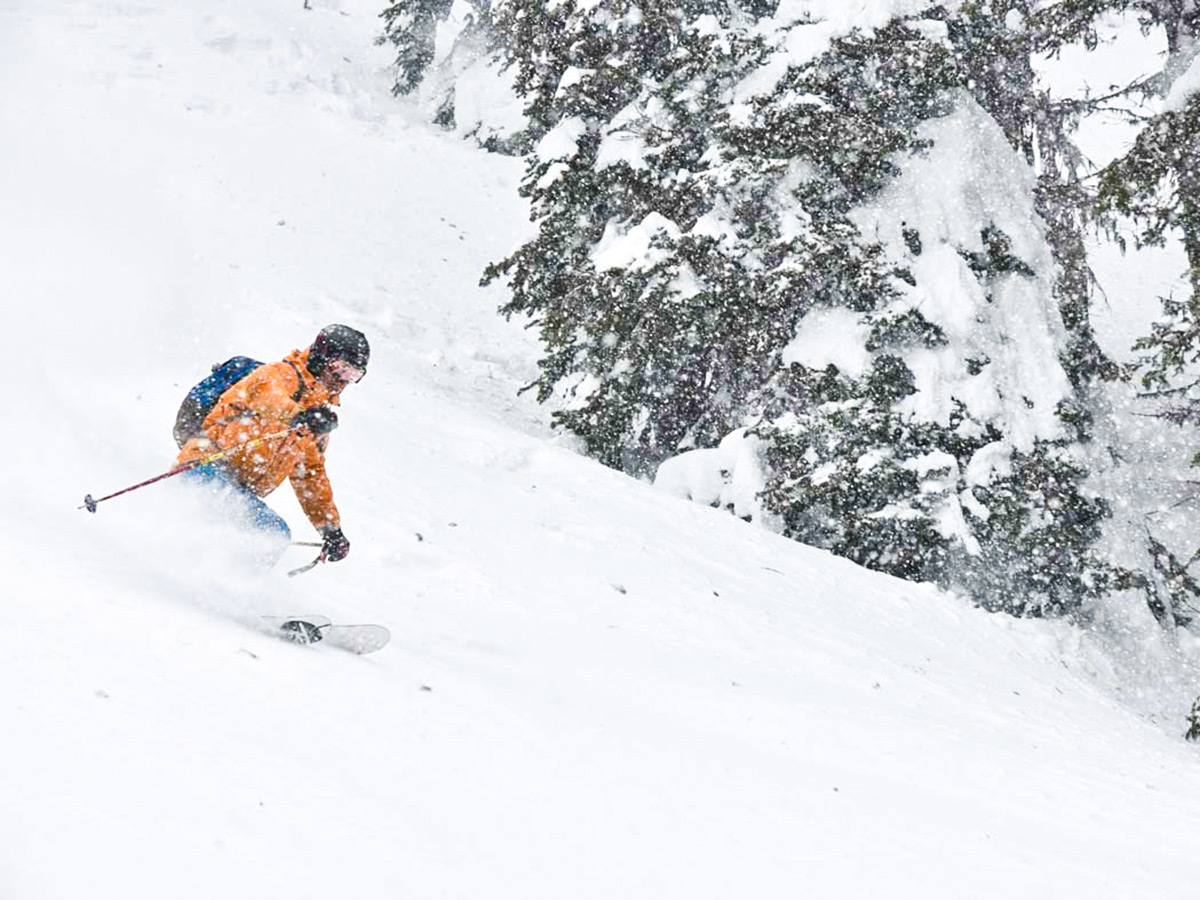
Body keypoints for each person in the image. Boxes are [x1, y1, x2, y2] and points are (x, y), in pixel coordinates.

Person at [175, 324, 370, 567]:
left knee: (268, 535)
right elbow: (269, 399)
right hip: (204, 468)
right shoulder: (277, 375)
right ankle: (219, 586)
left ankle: (215, 581)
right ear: (322, 357)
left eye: (353, 376)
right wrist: (299, 416)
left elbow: (310, 476)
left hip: (239, 490)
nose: (343, 382)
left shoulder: (316, 419)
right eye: (341, 369)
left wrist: (330, 529)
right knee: (271, 534)